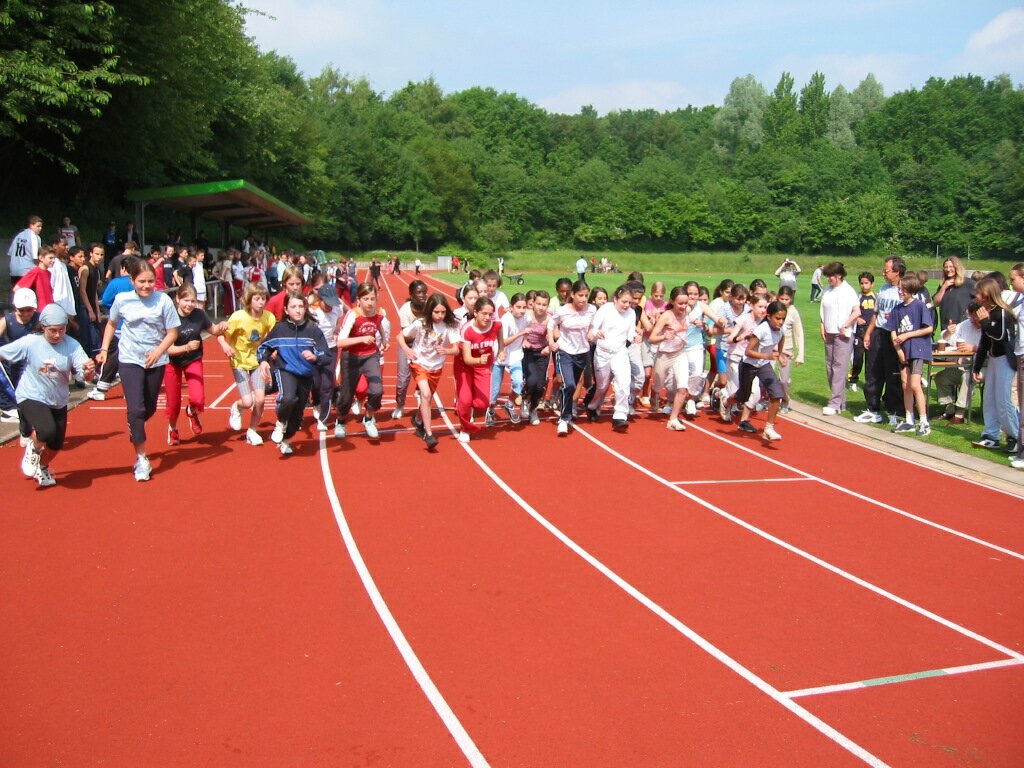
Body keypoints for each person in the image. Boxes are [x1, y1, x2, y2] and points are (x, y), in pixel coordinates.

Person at [97, 259, 181, 481]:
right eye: (141, 281)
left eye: (150, 281)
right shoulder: (122, 300)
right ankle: (141, 458)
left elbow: (173, 332)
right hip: (129, 358)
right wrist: (104, 349)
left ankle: (135, 423)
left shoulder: (163, 300)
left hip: (156, 360)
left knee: (148, 407)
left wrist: (158, 352)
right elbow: (111, 324)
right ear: (132, 280)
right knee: (135, 409)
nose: (146, 286)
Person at [1, 305, 95, 487]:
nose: (57, 335)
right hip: (31, 394)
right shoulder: (31, 342)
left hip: (58, 399)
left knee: (56, 444)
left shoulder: (72, 345)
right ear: (43, 327)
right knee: (46, 430)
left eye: (62, 330)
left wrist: (88, 371)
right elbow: (3, 353)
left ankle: (42, 467)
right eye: (53, 330)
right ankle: (33, 449)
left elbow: (85, 374)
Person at [257, 292, 330, 456]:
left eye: (301, 306)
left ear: (305, 308)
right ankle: (281, 422)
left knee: (297, 415)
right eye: (293, 307)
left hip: (306, 374)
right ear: (286, 310)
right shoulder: (280, 329)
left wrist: (315, 356)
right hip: (285, 369)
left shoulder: (313, 330)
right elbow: (264, 347)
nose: (297, 310)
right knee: (288, 397)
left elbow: (326, 354)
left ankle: (286, 439)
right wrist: (263, 361)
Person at [164, 284, 225, 445]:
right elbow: (167, 349)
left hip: (193, 359)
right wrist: (185, 347)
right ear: (177, 299)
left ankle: (192, 411)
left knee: (198, 398)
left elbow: (214, 330)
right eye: (186, 300)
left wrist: (222, 326)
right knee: (173, 402)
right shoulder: (169, 317)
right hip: (172, 362)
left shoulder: (199, 314)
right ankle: (173, 428)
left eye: (193, 301)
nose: (190, 304)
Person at [402, 293, 460, 450]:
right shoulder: (420, 323)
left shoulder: (449, 325)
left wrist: (446, 351)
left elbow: (456, 350)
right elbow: (400, 336)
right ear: (430, 310)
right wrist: (407, 349)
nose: (440, 315)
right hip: (418, 363)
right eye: (436, 312)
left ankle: (417, 420)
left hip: (436, 367)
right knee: (426, 395)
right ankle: (429, 434)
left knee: (427, 399)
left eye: (443, 312)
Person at [221, 283, 276, 446]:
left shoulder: (269, 317)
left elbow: (274, 336)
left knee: (260, 399)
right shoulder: (238, 317)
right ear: (249, 300)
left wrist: (273, 350)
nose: (261, 302)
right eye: (257, 299)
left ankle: (252, 430)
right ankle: (237, 408)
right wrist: (225, 346)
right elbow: (221, 334)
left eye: (263, 298)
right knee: (247, 402)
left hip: (257, 362)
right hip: (239, 362)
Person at [335, 283, 390, 440]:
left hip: (371, 356)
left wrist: (384, 341)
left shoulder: (380, 313)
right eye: (366, 299)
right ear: (358, 300)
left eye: (373, 299)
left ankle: (368, 418)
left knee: (377, 390)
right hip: (351, 357)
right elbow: (340, 342)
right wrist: (361, 338)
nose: (370, 303)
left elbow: (379, 325)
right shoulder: (353, 315)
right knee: (346, 396)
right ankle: (340, 422)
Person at [856, 256, 906, 425]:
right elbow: (876, 314)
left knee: (893, 374)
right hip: (879, 332)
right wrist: (868, 333)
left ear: (897, 272)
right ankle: (873, 409)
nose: (883, 273)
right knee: (873, 371)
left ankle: (895, 411)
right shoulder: (883, 289)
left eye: (886, 271)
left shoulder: (904, 290)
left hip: (895, 335)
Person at [971, 277, 1019, 452]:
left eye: (979, 293)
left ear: (987, 294)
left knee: (1003, 400)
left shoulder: (1002, 312)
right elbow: (984, 342)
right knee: (989, 399)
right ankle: (991, 435)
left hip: (1005, 359)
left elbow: (1000, 336)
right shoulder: (986, 312)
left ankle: (1015, 436)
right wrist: (977, 366)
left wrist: (985, 322)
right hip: (993, 359)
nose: (976, 296)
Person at [734, 300, 789, 441]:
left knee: (777, 394)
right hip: (749, 365)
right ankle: (724, 400)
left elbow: (781, 339)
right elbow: (748, 352)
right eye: (778, 318)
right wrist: (768, 356)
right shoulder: (761, 330)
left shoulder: (781, 329)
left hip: (764, 365)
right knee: (743, 396)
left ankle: (769, 428)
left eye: (783, 319)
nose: (781, 322)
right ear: (769, 316)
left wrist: (780, 356)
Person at [585, 284, 635, 431]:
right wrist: (596, 332)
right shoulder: (606, 309)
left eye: (629, 302)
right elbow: (593, 327)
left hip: (620, 352)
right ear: (615, 299)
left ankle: (620, 416)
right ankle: (592, 405)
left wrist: (634, 336)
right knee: (602, 386)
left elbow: (630, 333)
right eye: (624, 302)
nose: (626, 305)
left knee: (624, 383)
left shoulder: (631, 313)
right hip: (602, 352)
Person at [454, 297, 503, 442]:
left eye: (490, 314)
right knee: (465, 399)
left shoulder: (497, 325)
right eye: (484, 314)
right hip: (465, 366)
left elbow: (500, 339)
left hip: (483, 366)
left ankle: (465, 405)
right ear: (475, 313)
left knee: (483, 403)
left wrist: (501, 350)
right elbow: (467, 359)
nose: (487, 317)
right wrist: (478, 360)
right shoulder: (467, 330)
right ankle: (465, 428)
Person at [890, 274, 934, 435]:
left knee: (915, 385)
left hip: (917, 349)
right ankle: (909, 420)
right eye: (899, 289)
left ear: (911, 289)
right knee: (905, 385)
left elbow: (929, 328)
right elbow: (893, 331)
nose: (900, 292)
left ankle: (924, 421)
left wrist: (908, 335)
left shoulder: (919, 306)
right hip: (904, 351)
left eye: (903, 289)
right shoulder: (897, 309)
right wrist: (898, 350)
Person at [550, 280, 595, 434]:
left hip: (582, 353)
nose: (583, 299)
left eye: (586, 296)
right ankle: (564, 419)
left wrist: (592, 332)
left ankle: (565, 407)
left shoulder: (592, 309)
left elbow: (594, 325)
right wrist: (551, 342)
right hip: (565, 351)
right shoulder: (563, 311)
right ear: (573, 295)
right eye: (580, 295)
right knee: (568, 384)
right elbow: (550, 325)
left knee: (573, 386)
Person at [818, 262, 861, 416]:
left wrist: (846, 324)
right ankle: (841, 402)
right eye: (828, 276)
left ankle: (834, 403)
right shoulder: (827, 290)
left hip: (843, 334)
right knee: (830, 367)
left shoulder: (848, 291)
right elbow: (823, 310)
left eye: (831, 276)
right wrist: (822, 325)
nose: (829, 278)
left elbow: (857, 312)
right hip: (829, 331)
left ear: (839, 275)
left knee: (839, 368)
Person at [0, 288, 41, 430]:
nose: (25, 314)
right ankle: (25, 428)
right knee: (22, 397)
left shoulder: (41, 319)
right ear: (15, 308)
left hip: (37, 365)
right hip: (17, 366)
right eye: (21, 310)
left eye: (29, 310)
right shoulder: (8, 320)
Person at [934, 301, 982, 424]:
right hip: (963, 364)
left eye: (976, 318)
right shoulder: (966, 325)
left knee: (968, 377)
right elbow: (946, 337)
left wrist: (974, 348)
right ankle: (949, 408)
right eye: (971, 318)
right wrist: (948, 332)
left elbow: (993, 350)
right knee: (941, 377)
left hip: (983, 367)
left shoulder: (988, 327)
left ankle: (959, 414)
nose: (973, 321)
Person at [488, 293, 529, 425]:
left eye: (524, 307)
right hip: (500, 354)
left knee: (518, 383)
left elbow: (532, 324)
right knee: (495, 390)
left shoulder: (527, 317)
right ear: (511, 307)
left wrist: (525, 339)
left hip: (515, 355)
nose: (521, 310)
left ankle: (509, 404)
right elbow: (503, 342)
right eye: (518, 307)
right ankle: (491, 410)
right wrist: (521, 334)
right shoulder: (505, 320)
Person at [308, 284, 344, 432]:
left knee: (327, 385)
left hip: (330, 349)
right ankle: (316, 401)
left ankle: (323, 418)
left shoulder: (337, 309)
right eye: (326, 303)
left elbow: (338, 322)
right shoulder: (313, 312)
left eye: (332, 303)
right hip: (314, 350)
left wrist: (336, 331)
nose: (329, 306)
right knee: (315, 383)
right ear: (320, 299)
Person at [392, 281, 428, 419]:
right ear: (411, 295)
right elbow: (405, 335)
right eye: (419, 292)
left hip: (424, 344)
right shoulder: (405, 310)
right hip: (407, 343)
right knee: (403, 379)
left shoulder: (429, 306)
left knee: (426, 376)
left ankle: (421, 399)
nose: (423, 295)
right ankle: (400, 405)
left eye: (424, 292)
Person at [520, 290, 555, 426]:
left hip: (542, 352)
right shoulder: (527, 315)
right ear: (533, 303)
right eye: (538, 304)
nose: (541, 307)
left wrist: (549, 347)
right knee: (532, 381)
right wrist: (524, 340)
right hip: (527, 351)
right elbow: (517, 328)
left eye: (544, 305)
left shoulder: (549, 318)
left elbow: (554, 335)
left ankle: (533, 409)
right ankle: (525, 399)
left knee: (540, 386)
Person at [847, 272, 876, 392]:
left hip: (872, 332)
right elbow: (850, 311)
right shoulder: (857, 297)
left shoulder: (876, 297)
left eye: (866, 283)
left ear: (872, 284)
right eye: (861, 283)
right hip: (859, 332)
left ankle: (869, 382)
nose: (864, 286)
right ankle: (853, 379)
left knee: (871, 360)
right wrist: (857, 318)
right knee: (858, 358)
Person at [932, 256, 977, 329]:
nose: (948, 269)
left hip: (963, 327)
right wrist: (944, 287)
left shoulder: (969, 283)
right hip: (946, 327)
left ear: (957, 267)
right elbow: (936, 303)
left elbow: (982, 300)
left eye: (951, 267)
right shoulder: (943, 285)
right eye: (946, 267)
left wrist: (971, 312)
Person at [7, 215, 43, 294]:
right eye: (38, 226)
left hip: (14, 271)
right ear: (31, 225)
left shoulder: (18, 236)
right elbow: (35, 257)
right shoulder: (34, 237)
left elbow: (10, 253)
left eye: (41, 226)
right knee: (30, 296)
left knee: (17, 296)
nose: (40, 228)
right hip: (27, 272)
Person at [15, 245, 55, 310]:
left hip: (49, 309)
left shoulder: (48, 273)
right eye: (50, 258)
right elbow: (17, 288)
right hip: (39, 310)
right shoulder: (35, 271)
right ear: (41, 258)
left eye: (54, 258)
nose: (53, 260)